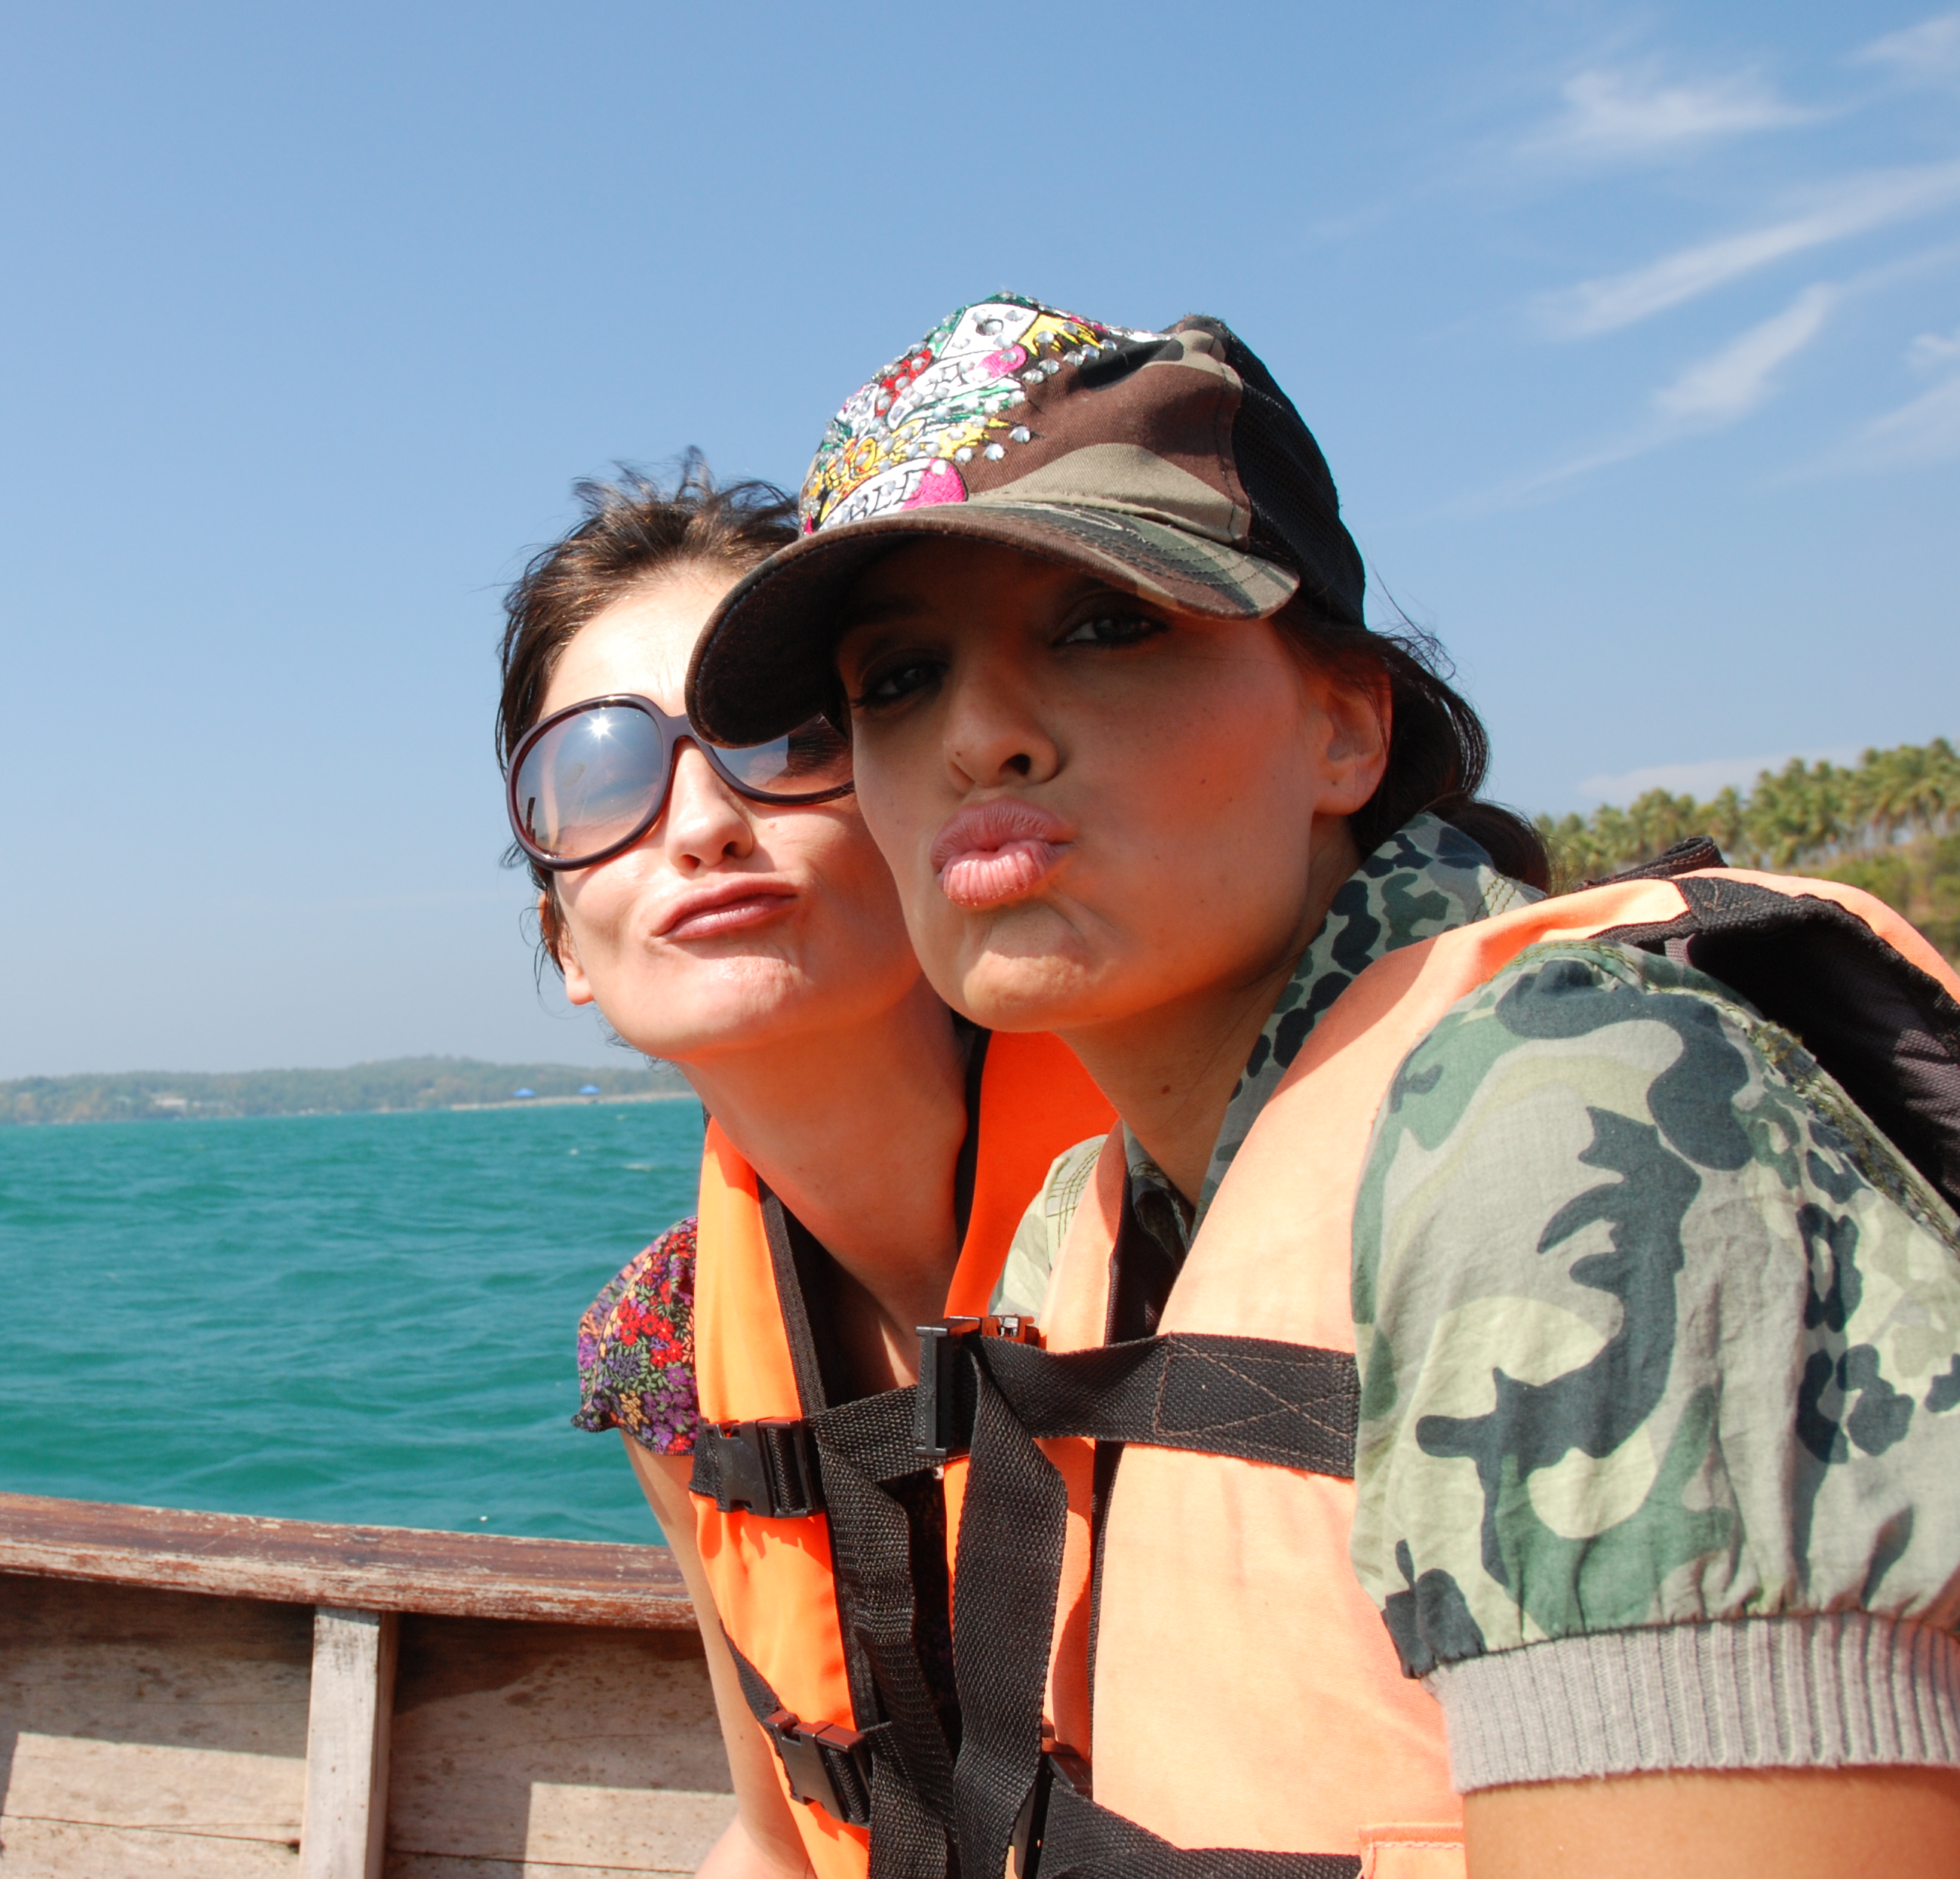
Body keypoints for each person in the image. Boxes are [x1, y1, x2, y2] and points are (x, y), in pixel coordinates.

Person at [680, 293, 1960, 1878]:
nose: (978, 738)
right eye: (897, 679)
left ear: (1347, 724)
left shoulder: (1576, 1117)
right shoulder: (1089, 1221)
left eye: (1106, 625)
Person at [499, 459, 1111, 1879]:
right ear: (565, 944)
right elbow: (779, 1843)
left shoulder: (1225, 1181)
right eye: (599, 776)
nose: (703, 824)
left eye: (783, 740)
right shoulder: (665, 1344)